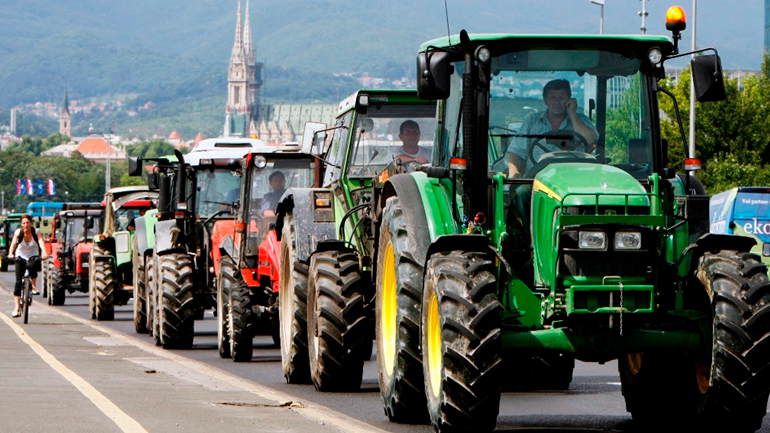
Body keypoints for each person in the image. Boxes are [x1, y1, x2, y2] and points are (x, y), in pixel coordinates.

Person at [506, 79, 598, 178]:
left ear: (569, 99)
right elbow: (516, 152)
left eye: (561, 98)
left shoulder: (581, 120)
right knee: (520, 193)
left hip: (572, 180)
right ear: (545, 100)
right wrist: (514, 172)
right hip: (536, 181)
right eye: (553, 98)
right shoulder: (532, 121)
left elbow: (591, 140)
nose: (557, 102)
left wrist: (572, 113)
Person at [8, 214, 48, 317]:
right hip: (20, 256)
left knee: (31, 266)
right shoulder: (19, 232)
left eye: (27, 223)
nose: (26, 225)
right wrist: (10, 253)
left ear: (31, 223)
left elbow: (41, 242)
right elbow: (13, 244)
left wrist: (44, 253)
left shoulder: (36, 232)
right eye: (24, 223)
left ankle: (33, 286)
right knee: (18, 282)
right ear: (21, 224)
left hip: (33, 255)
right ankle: (17, 308)